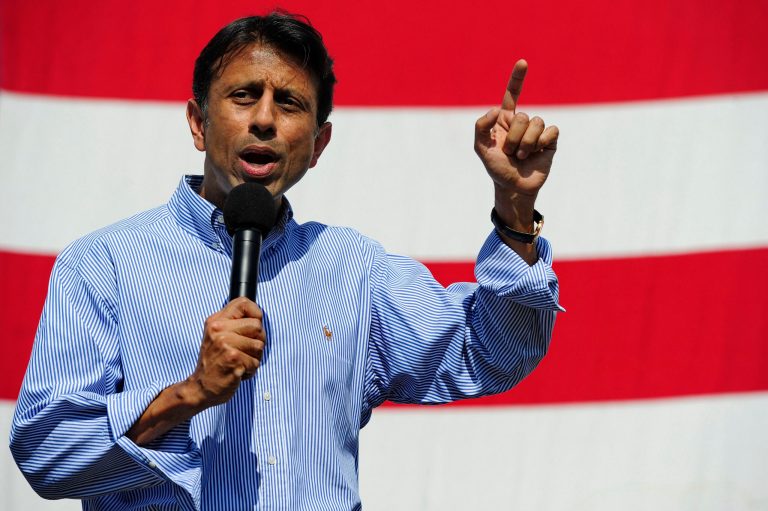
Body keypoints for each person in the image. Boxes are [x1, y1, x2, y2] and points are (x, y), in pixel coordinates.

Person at [10, 11, 562, 511]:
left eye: (290, 103)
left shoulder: (352, 268)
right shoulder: (104, 263)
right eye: (245, 95)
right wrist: (190, 395)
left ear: (318, 145)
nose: (266, 120)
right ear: (198, 122)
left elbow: (488, 352)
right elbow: (45, 455)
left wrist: (515, 208)